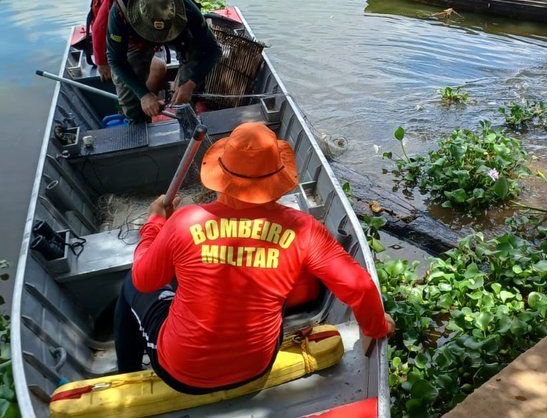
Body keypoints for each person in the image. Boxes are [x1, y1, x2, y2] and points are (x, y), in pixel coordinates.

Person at [114, 122, 395, 394]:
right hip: (257, 366)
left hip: (180, 372)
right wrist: (376, 326)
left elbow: (144, 279)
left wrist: (154, 224)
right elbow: (360, 287)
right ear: (278, 176)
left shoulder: (185, 222)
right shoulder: (304, 229)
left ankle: (125, 375)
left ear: (221, 175)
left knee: (131, 283)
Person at [104, 0, 222, 123]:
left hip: (178, 33)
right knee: (130, 96)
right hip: (137, 40)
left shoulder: (185, 7)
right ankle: (136, 122)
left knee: (196, 55)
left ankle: (185, 111)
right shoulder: (120, 11)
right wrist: (143, 95)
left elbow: (213, 50)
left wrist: (191, 83)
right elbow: (115, 60)